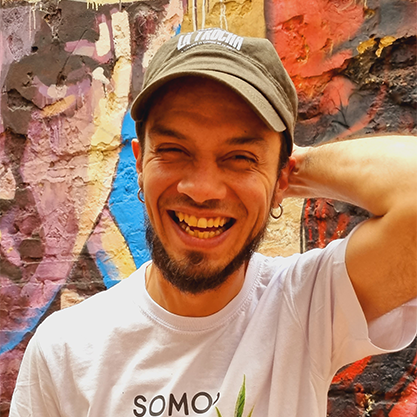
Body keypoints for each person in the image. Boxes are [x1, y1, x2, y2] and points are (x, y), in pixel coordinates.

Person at [9, 28, 417, 417]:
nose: (202, 190)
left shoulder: (306, 305)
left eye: (240, 157)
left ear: (282, 177)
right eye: (174, 150)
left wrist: (292, 169)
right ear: (140, 163)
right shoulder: (65, 350)